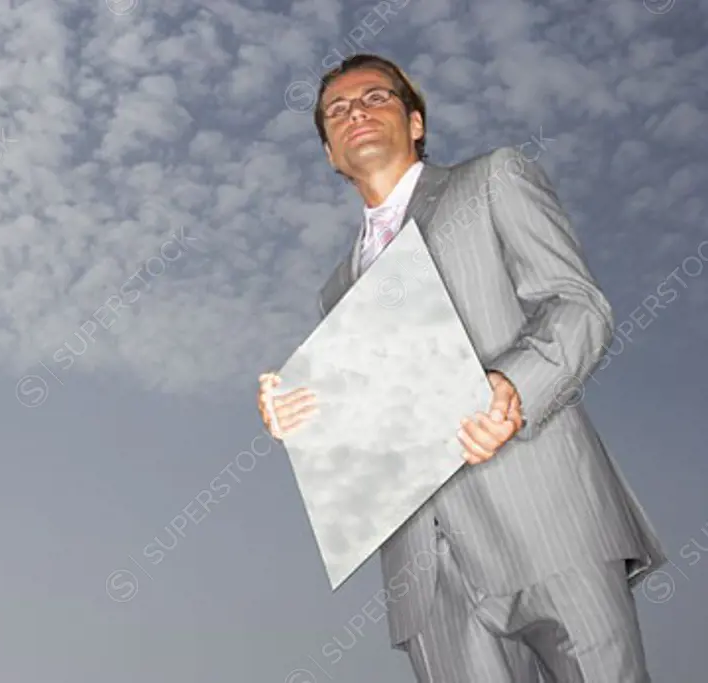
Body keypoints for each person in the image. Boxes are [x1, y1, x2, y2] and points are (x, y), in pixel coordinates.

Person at [257, 53, 665, 682]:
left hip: (545, 520)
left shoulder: (494, 179)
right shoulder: (336, 291)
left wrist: (513, 387)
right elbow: (377, 417)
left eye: (374, 98)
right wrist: (301, 418)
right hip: (429, 577)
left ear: (415, 122)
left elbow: (578, 305)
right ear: (331, 155)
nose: (354, 113)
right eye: (336, 112)